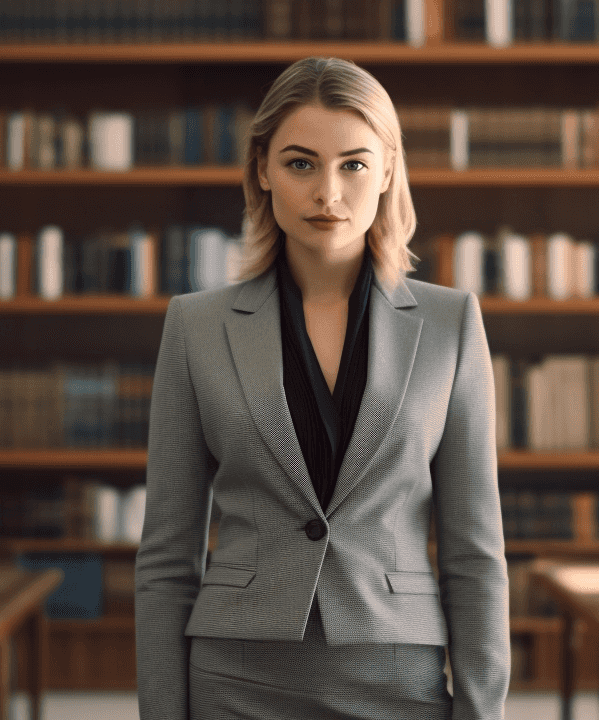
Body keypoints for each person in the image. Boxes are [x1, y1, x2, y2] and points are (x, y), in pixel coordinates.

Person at [135, 56, 509, 720]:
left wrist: (480, 711)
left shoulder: (451, 325)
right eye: (301, 163)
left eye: (353, 164)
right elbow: (167, 555)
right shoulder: (196, 326)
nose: (327, 194)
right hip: (235, 677)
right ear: (262, 170)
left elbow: (474, 552)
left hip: (398, 678)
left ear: (388, 169)